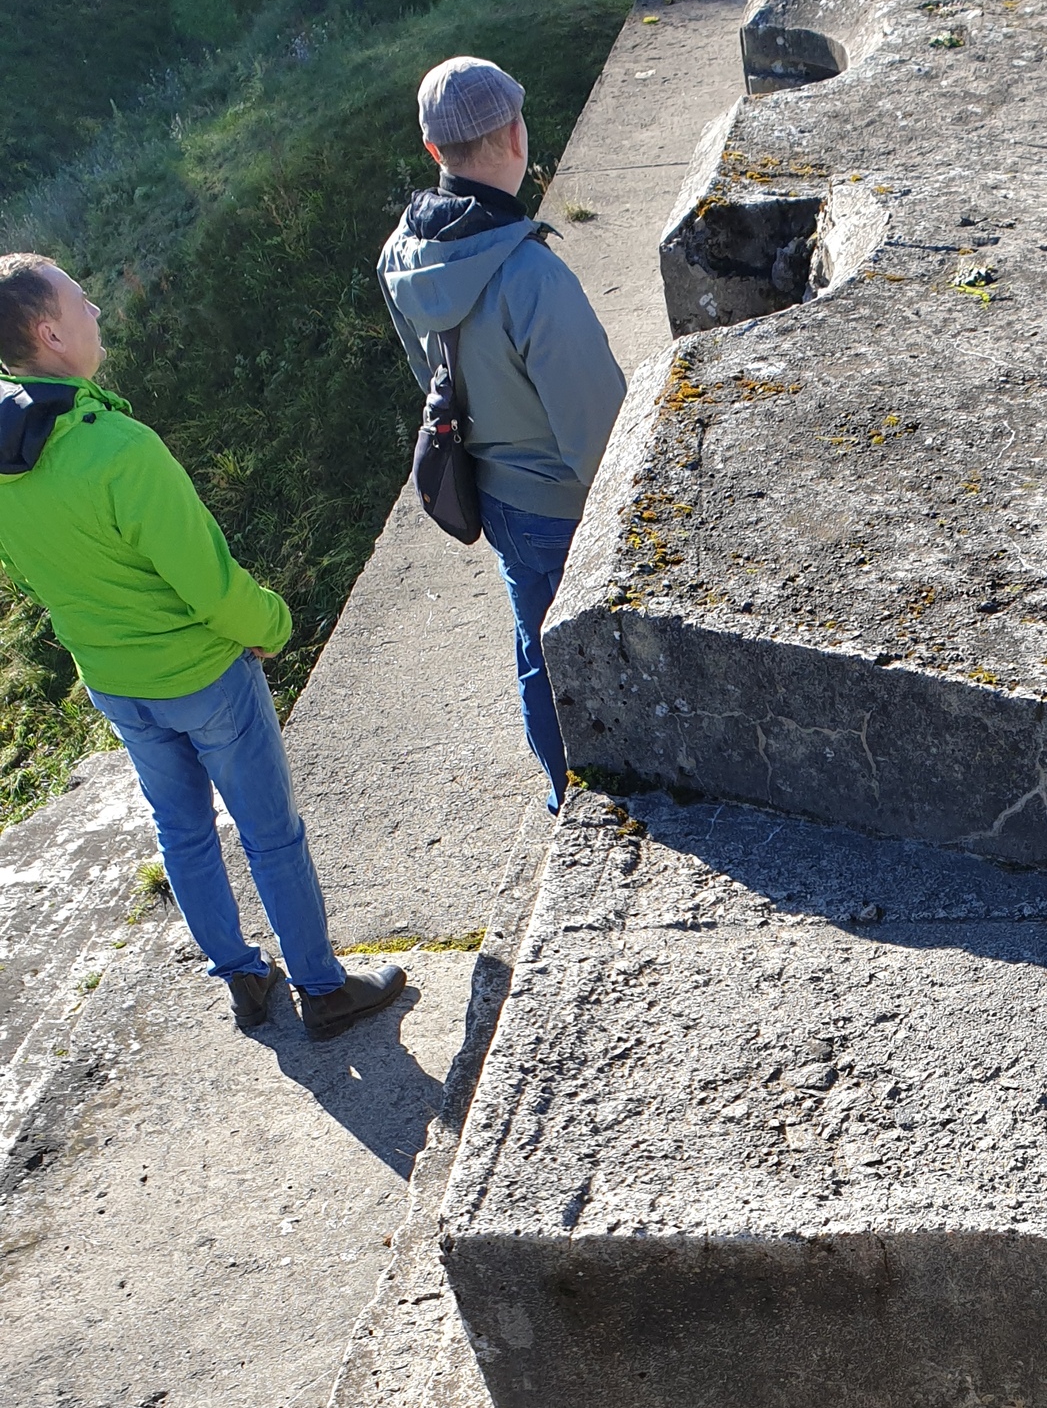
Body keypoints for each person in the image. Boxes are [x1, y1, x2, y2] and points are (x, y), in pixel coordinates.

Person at [0, 255, 404, 1042]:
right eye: (80, 301)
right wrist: (273, 626)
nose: (95, 309)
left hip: (114, 679)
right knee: (270, 832)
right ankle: (323, 988)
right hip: (203, 676)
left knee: (180, 829)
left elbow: (28, 570)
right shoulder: (118, 448)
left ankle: (243, 980)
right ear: (50, 332)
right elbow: (209, 584)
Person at [378, 56, 626, 812]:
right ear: (517, 135)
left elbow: (431, 372)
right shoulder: (531, 276)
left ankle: (562, 798)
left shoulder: (402, 255)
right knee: (592, 662)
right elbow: (603, 432)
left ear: (434, 152)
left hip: (491, 495)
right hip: (563, 503)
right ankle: (605, 800)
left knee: (535, 651)